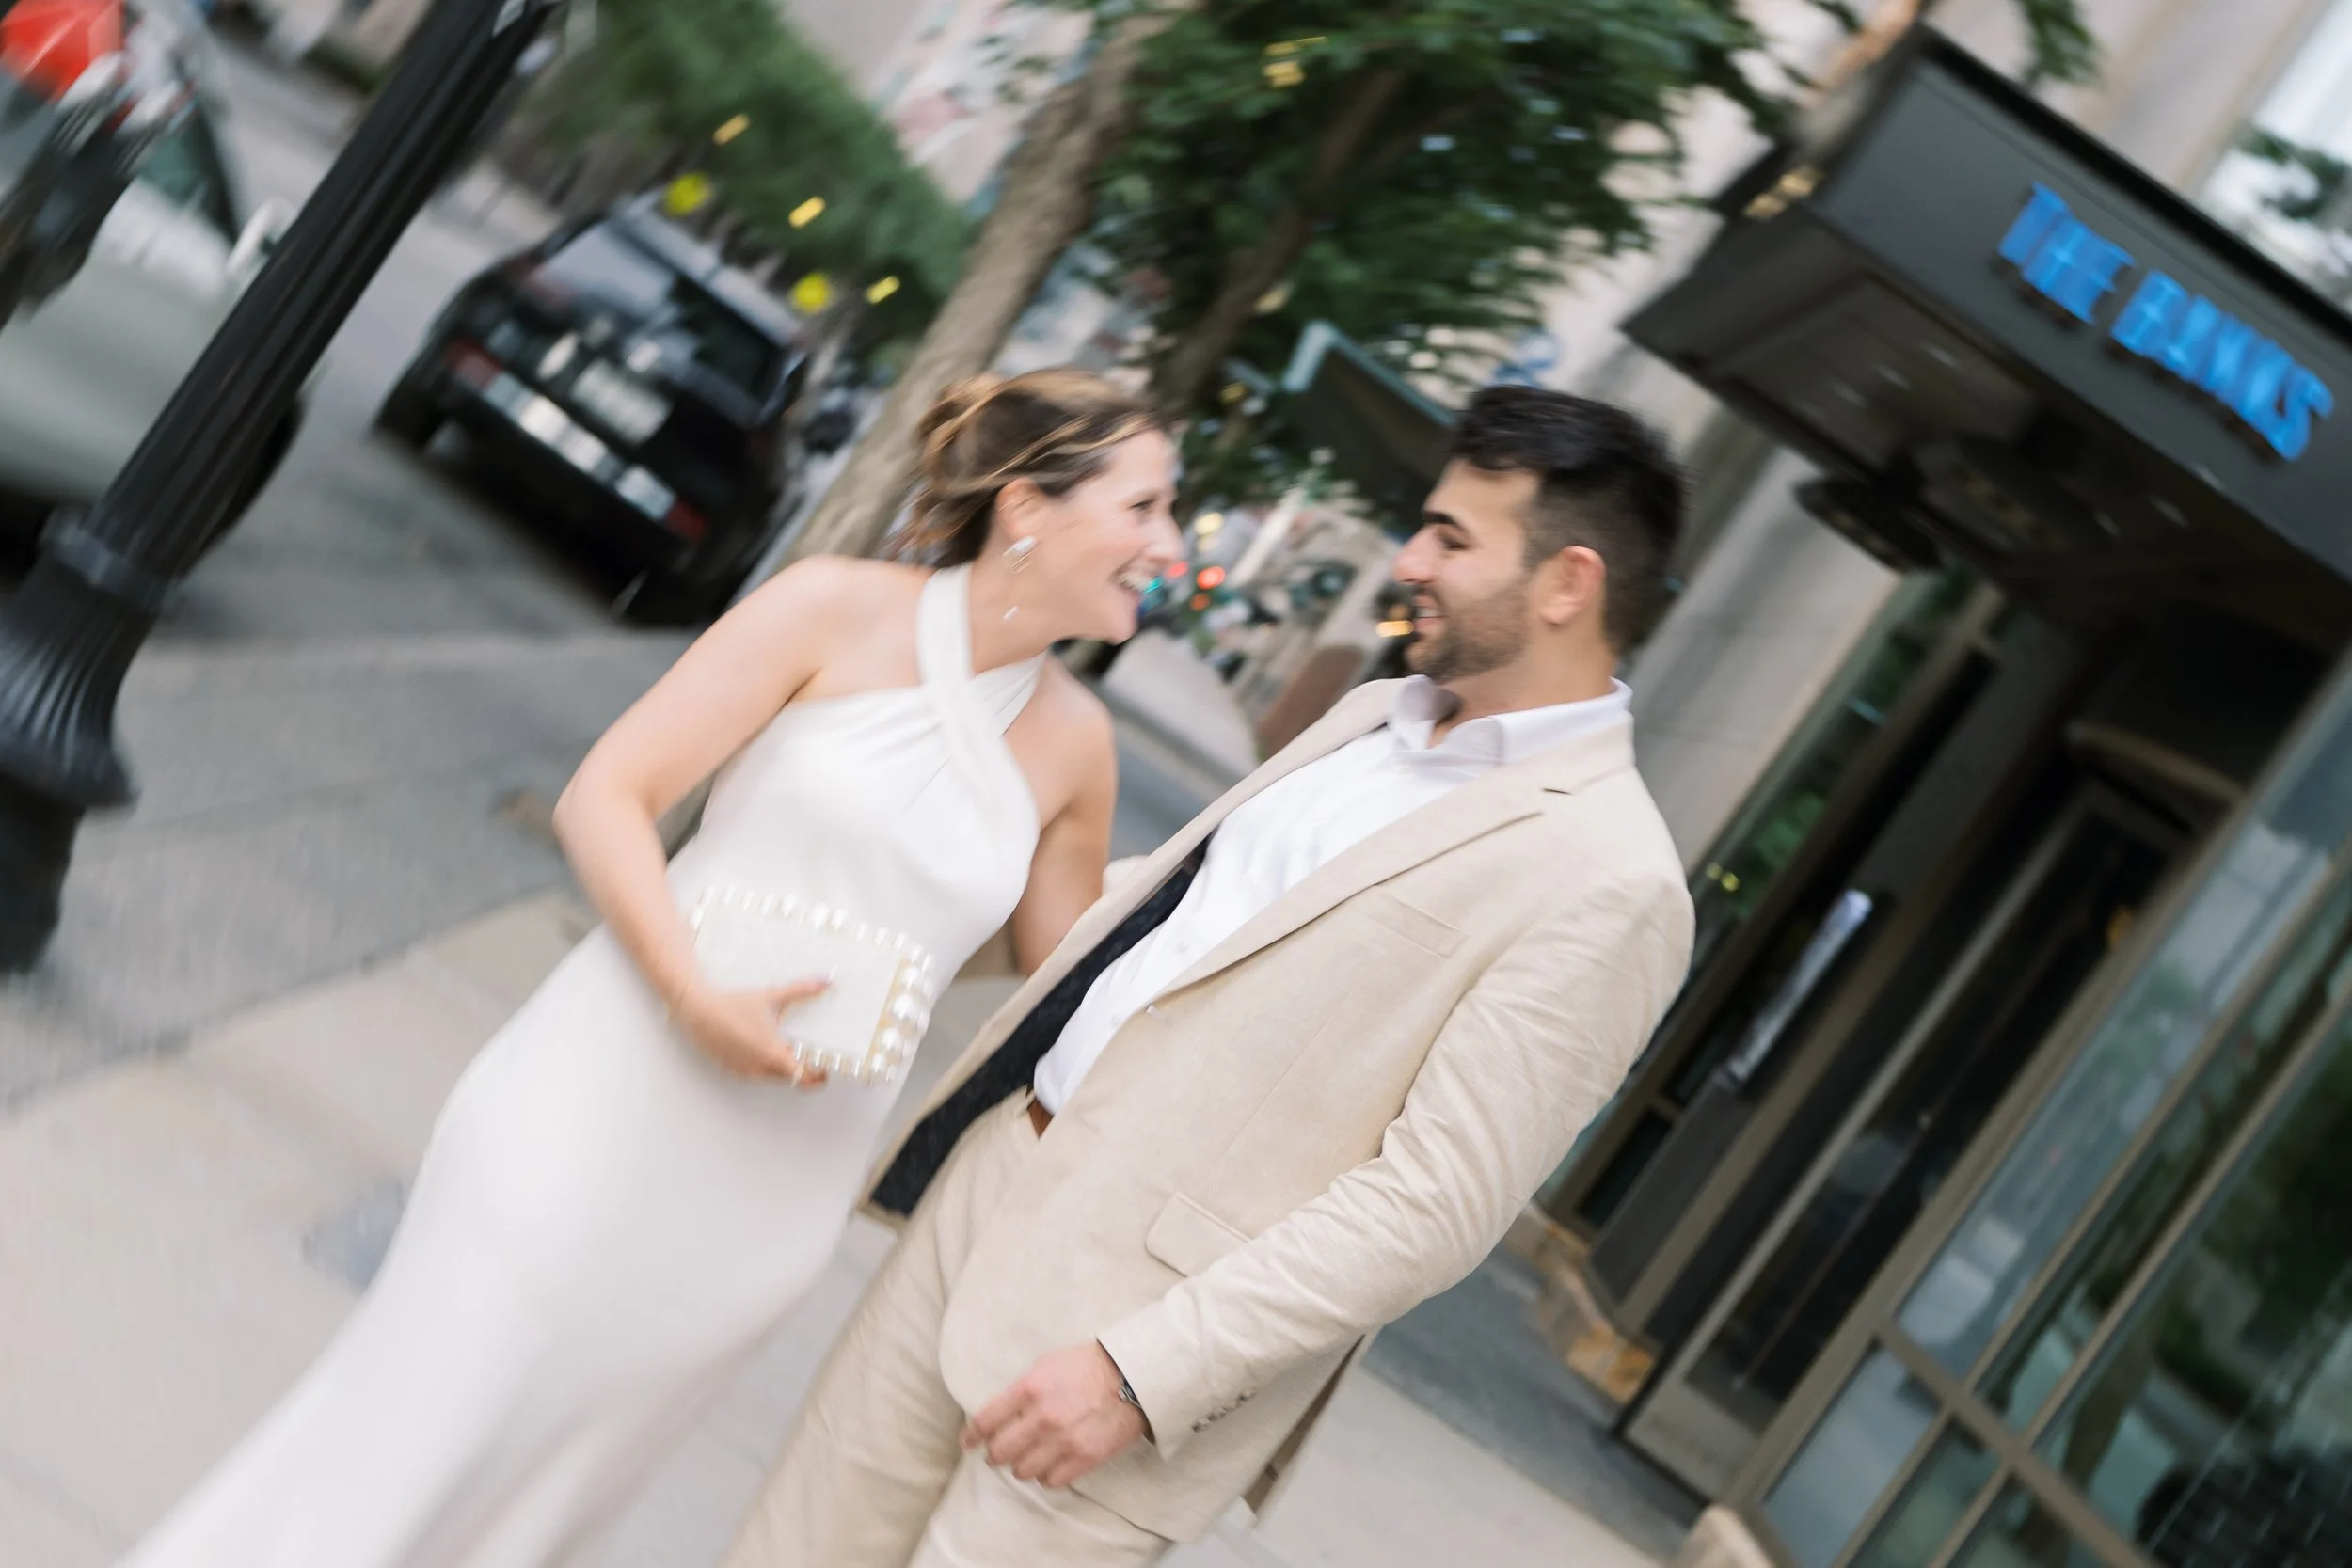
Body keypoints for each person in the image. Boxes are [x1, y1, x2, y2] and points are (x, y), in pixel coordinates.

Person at [119, 368, 1184, 1568]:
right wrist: (695, 990)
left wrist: (1200, 886)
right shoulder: (830, 607)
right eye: (1144, 506)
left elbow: (1051, 973)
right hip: (601, 1094)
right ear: (1028, 506)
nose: (1170, 543)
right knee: (409, 1436)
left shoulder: (1077, 746)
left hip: (775, 1184)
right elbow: (607, 796)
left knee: (544, 1500)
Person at [724, 385, 1699, 1567]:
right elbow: (1164, 924)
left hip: (1121, 1354)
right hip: (992, 1188)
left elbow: (1431, 1202)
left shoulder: (1611, 875)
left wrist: (1142, 1374)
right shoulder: (1374, 716)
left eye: (1451, 536)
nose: (1410, 559)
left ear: (1566, 584)